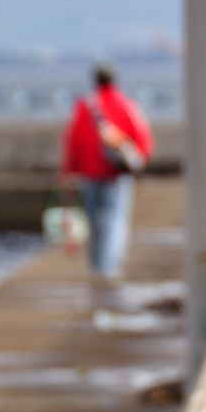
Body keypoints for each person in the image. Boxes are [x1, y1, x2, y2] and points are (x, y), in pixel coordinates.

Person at [62, 64, 154, 285]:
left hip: (89, 172)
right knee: (114, 218)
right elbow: (143, 140)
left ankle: (96, 264)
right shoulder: (127, 105)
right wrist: (136, 160)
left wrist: (69, 169)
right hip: (116, 173)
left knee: (93, 220)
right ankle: (109, 265)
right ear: (114, 80)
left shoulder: (85, 106)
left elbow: (72, 139)